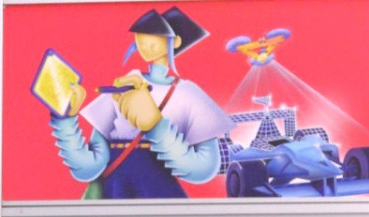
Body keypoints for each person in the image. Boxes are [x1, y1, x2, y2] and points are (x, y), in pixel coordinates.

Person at [46, 8, 232, 199]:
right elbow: (87, 168)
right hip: (113, 192)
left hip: (157, 192)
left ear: (175, 41)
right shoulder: (125, 84)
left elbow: (204, 169)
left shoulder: (188, 93)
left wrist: (156, 126)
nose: (143, 43)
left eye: (154, 35)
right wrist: (66, 119)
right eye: (140, 36)